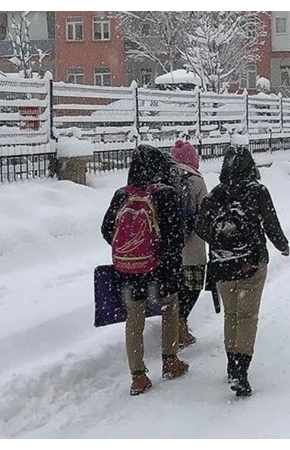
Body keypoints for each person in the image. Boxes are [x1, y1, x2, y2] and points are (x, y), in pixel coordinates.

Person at [195, 144, 290, 398]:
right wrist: (283, 245)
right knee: (248, 317)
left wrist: (221, 239)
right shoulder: (258, 191)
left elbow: (200, 227)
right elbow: (271, 223)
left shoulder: (215, 195)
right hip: (251, 263)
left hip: (222, 265)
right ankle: (241, 370)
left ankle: (231, 364)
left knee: (232, 315)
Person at [100, 144, 188, 396]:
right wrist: (161, 256)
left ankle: (138, 376)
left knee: (134, 318)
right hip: (161, 268)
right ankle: (170, 360)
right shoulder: (165, 194)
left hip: (128, 270)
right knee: (170, 307)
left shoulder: (121, 194)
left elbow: (107, 229)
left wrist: (131, 248)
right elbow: (175, 236)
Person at [169, 140, 209, 349]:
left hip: (170, 248)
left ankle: (174, 324)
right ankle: (181, 323)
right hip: (193, 247)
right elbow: (206, 213)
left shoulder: (164, 179)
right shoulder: (196, 181)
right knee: (192, 287)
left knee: (174, 288)